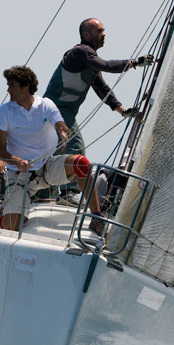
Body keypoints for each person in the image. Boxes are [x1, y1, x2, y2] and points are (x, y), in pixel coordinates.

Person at [41, 17, 154, 205]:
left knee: (58, 151)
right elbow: (107, 66)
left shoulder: (89, 62)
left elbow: (102, 89)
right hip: (55, 110)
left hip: (63, 112)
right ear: (86, 34)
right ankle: (68, 192)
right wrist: (135, 62)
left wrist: (123, 111)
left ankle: (46, 194)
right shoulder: (80, 53)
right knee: (75, 148)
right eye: (99, 31)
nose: (104, 34)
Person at [0, 65, 105, 235]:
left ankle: (97, 217)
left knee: (82, 164)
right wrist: (16, 161)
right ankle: (1, 210)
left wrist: (62, 130)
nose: (8, 90)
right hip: (18, 175)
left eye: (11, 85)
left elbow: (59, 122)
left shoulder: (45, 104)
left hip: (46, 167)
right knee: (11, 228)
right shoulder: (4, 111)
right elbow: (1, 151)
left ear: (25, 86)